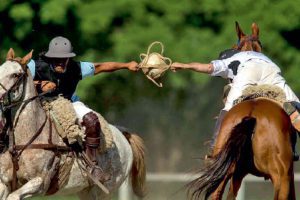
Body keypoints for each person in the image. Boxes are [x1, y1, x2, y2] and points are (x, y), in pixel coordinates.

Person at [27, 36, 139, 181]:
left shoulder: (77, 67)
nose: (60, 62)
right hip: (40, 103)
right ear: (50, 57)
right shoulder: (35, 65)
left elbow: (101, 67)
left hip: (69, 103)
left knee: (92, 120)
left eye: (64, 59)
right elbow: (14, 76)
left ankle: (92, 165)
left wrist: (127, 65)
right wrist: (39, 84)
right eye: (56, 59)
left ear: (69, 58)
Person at [171, 47, 300, 160]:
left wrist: (184, 66)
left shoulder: (228, 61)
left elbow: (209, 67)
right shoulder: (258, 55)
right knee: (293, 102)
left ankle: (215, 149)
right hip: (271, 70)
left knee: (229, 108)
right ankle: (293, 145)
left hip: (248, 71)